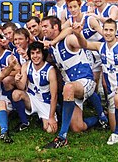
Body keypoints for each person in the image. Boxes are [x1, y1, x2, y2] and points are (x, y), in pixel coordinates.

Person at [41, 16, 106, 149]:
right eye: (42, 26)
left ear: (55, 27)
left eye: (45, 26)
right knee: (77, 127)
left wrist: (77, 33)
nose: (43, 29)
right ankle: (100, 119)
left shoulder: (68, 39)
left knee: (68, 87)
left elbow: (82, 44)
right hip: (71, 86)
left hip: (85, 81)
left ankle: (62, 137)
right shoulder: (51, 44)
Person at [12, 42, 58, 133]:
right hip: (31, 99)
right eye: (32, 53)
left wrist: (51, 117)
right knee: (16, 94)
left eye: (38, 53)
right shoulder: (26, 65)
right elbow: (21, 87)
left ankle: (42, 118)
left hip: (45, 102)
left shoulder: (50, 70)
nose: (35, 56)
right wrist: (17, 81)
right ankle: (24, 122)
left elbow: (54, 96)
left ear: (43, 54)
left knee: (50, 130)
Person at [0, 33, 21, 110]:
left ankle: (13, 104)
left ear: (2, 45)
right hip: (0, 90)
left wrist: (7, 72)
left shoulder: (8, 56)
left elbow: (19, 70)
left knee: (6, 79)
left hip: (11, 86)